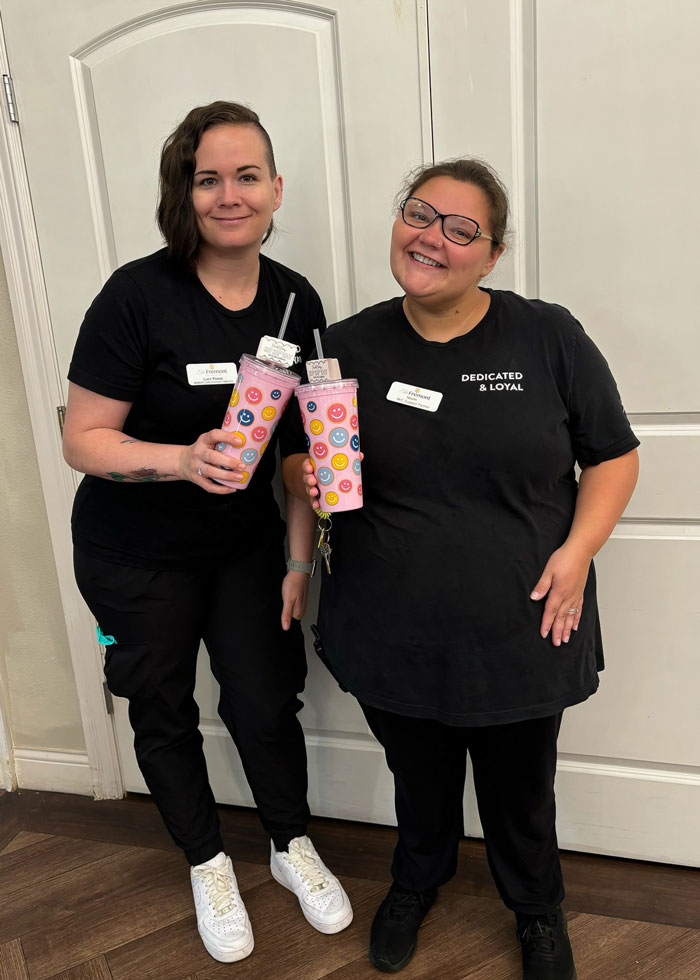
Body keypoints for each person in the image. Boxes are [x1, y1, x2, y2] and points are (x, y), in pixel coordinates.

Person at [293, 158, 639, 979]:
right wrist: (304, 482)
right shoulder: (342, 348)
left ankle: (538, 910)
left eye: (461, 229)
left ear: (492, 254)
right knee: (418, 777)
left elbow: (615, 457)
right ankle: (418, 881)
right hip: (387, 624)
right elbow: (306, 463)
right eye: (419, 214)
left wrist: (579, 550)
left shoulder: (546, 335)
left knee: (521, 790)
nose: (431, 237)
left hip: (521, 623)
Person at [62, 101, 352, 964]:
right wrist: (180, 460)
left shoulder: (297, 299)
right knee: (161, 707)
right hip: (133, 552)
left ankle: (290, 842)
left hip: (243, 548)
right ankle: (207, 860)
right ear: (184, 194)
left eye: (247, 175)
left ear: (275, 187)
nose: (230, 194)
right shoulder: (137, 296)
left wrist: (300, 558)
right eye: (208, 178)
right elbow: (82, 439)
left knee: (265, 699)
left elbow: (300, 449)